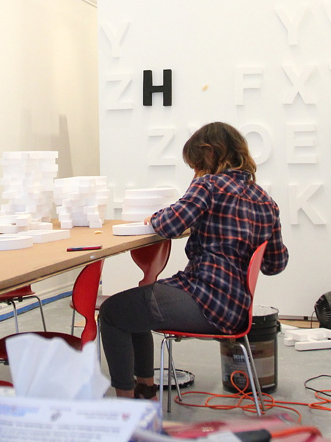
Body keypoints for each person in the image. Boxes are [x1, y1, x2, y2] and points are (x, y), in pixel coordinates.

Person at [98, 121, 289, 399]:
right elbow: (275, 265)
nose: (195, 170)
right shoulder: (266, 201)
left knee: (112, 312)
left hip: (206, 303)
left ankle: (126, 404)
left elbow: (170, 224)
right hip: (237, 311)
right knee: (135, 305)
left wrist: (155, 216)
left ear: (208, 154)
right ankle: (145, 391)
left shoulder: (208, 185)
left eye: (195, 164)